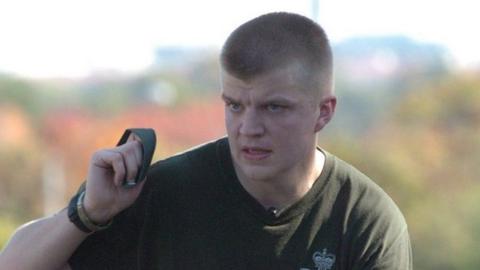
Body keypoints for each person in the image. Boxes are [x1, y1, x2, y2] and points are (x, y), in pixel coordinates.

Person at [0, 12, 412, 270]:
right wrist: (88, 213)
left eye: (273, 108)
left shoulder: (364, 221)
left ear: (324, 111)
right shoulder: (162, 192)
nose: (247, 127)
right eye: (234, 105)